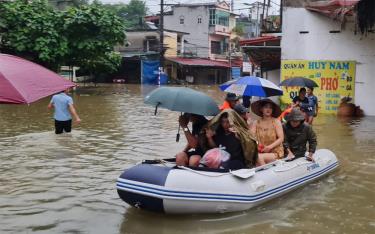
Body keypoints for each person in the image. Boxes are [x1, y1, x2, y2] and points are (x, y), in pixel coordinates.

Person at [250, 99, 284, 166]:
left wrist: (269, 147)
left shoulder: (276, 122)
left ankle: (266, 174)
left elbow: (281, 138)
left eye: (270, 107)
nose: (268, 109)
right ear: (261, 109)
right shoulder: (256, 122)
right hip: (261, 151)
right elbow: (251, 137)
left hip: (275, 151)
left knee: (259, 157)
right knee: (254, 156)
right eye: (266, 107)